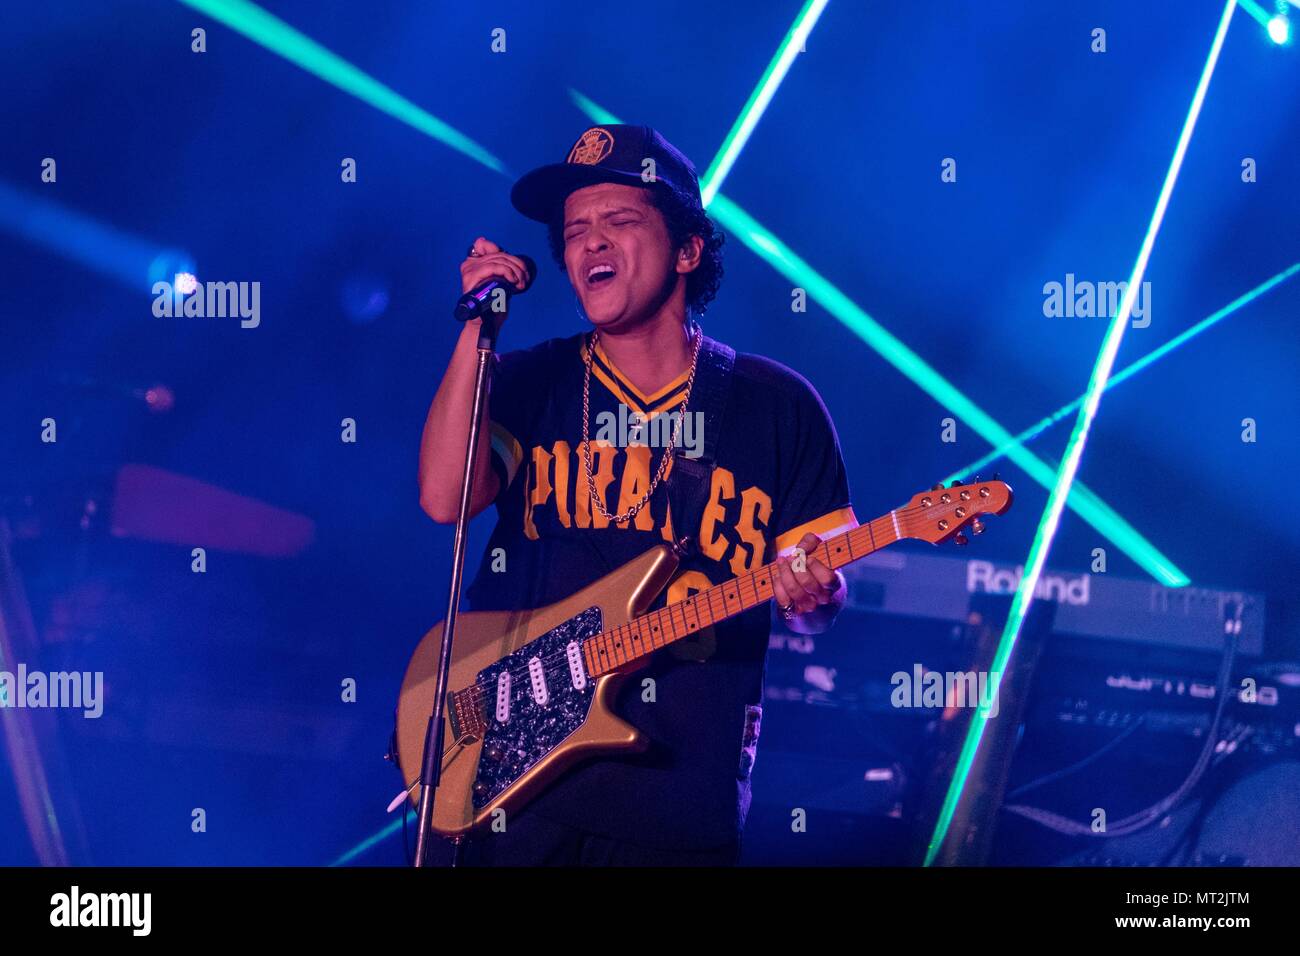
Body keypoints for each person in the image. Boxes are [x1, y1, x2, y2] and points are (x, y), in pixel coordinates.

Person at [418, 125, 857, 865]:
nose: (591, 244)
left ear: (688, 250)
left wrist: (816, 589)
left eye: (619, 223)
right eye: (575, 231)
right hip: (511, 787)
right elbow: (443, 498)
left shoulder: (774, 406)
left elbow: (821, 592)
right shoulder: (531, 382)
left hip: (677, 799)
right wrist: (478, 328)